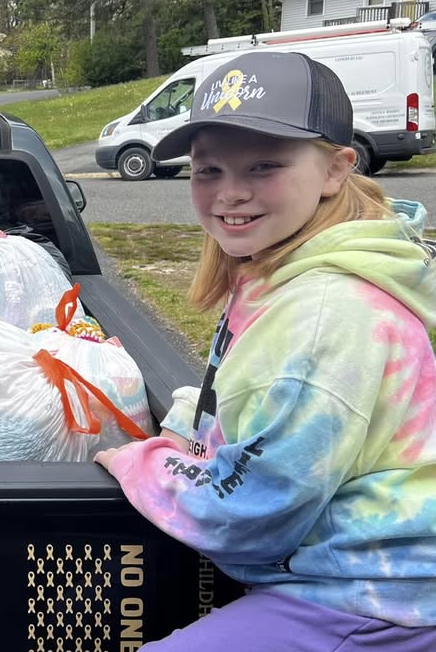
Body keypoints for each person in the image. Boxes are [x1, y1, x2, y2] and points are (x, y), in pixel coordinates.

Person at [95, 51, 436, 650]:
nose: (230, 193)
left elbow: (255, 514)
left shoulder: (326, 313)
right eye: (209, 170)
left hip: (372, 594)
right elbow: (242, 387)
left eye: (264, 166)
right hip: (323, 569)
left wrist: (139, 462)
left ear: (335, 170)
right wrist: (185, 421)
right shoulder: (278, 265)